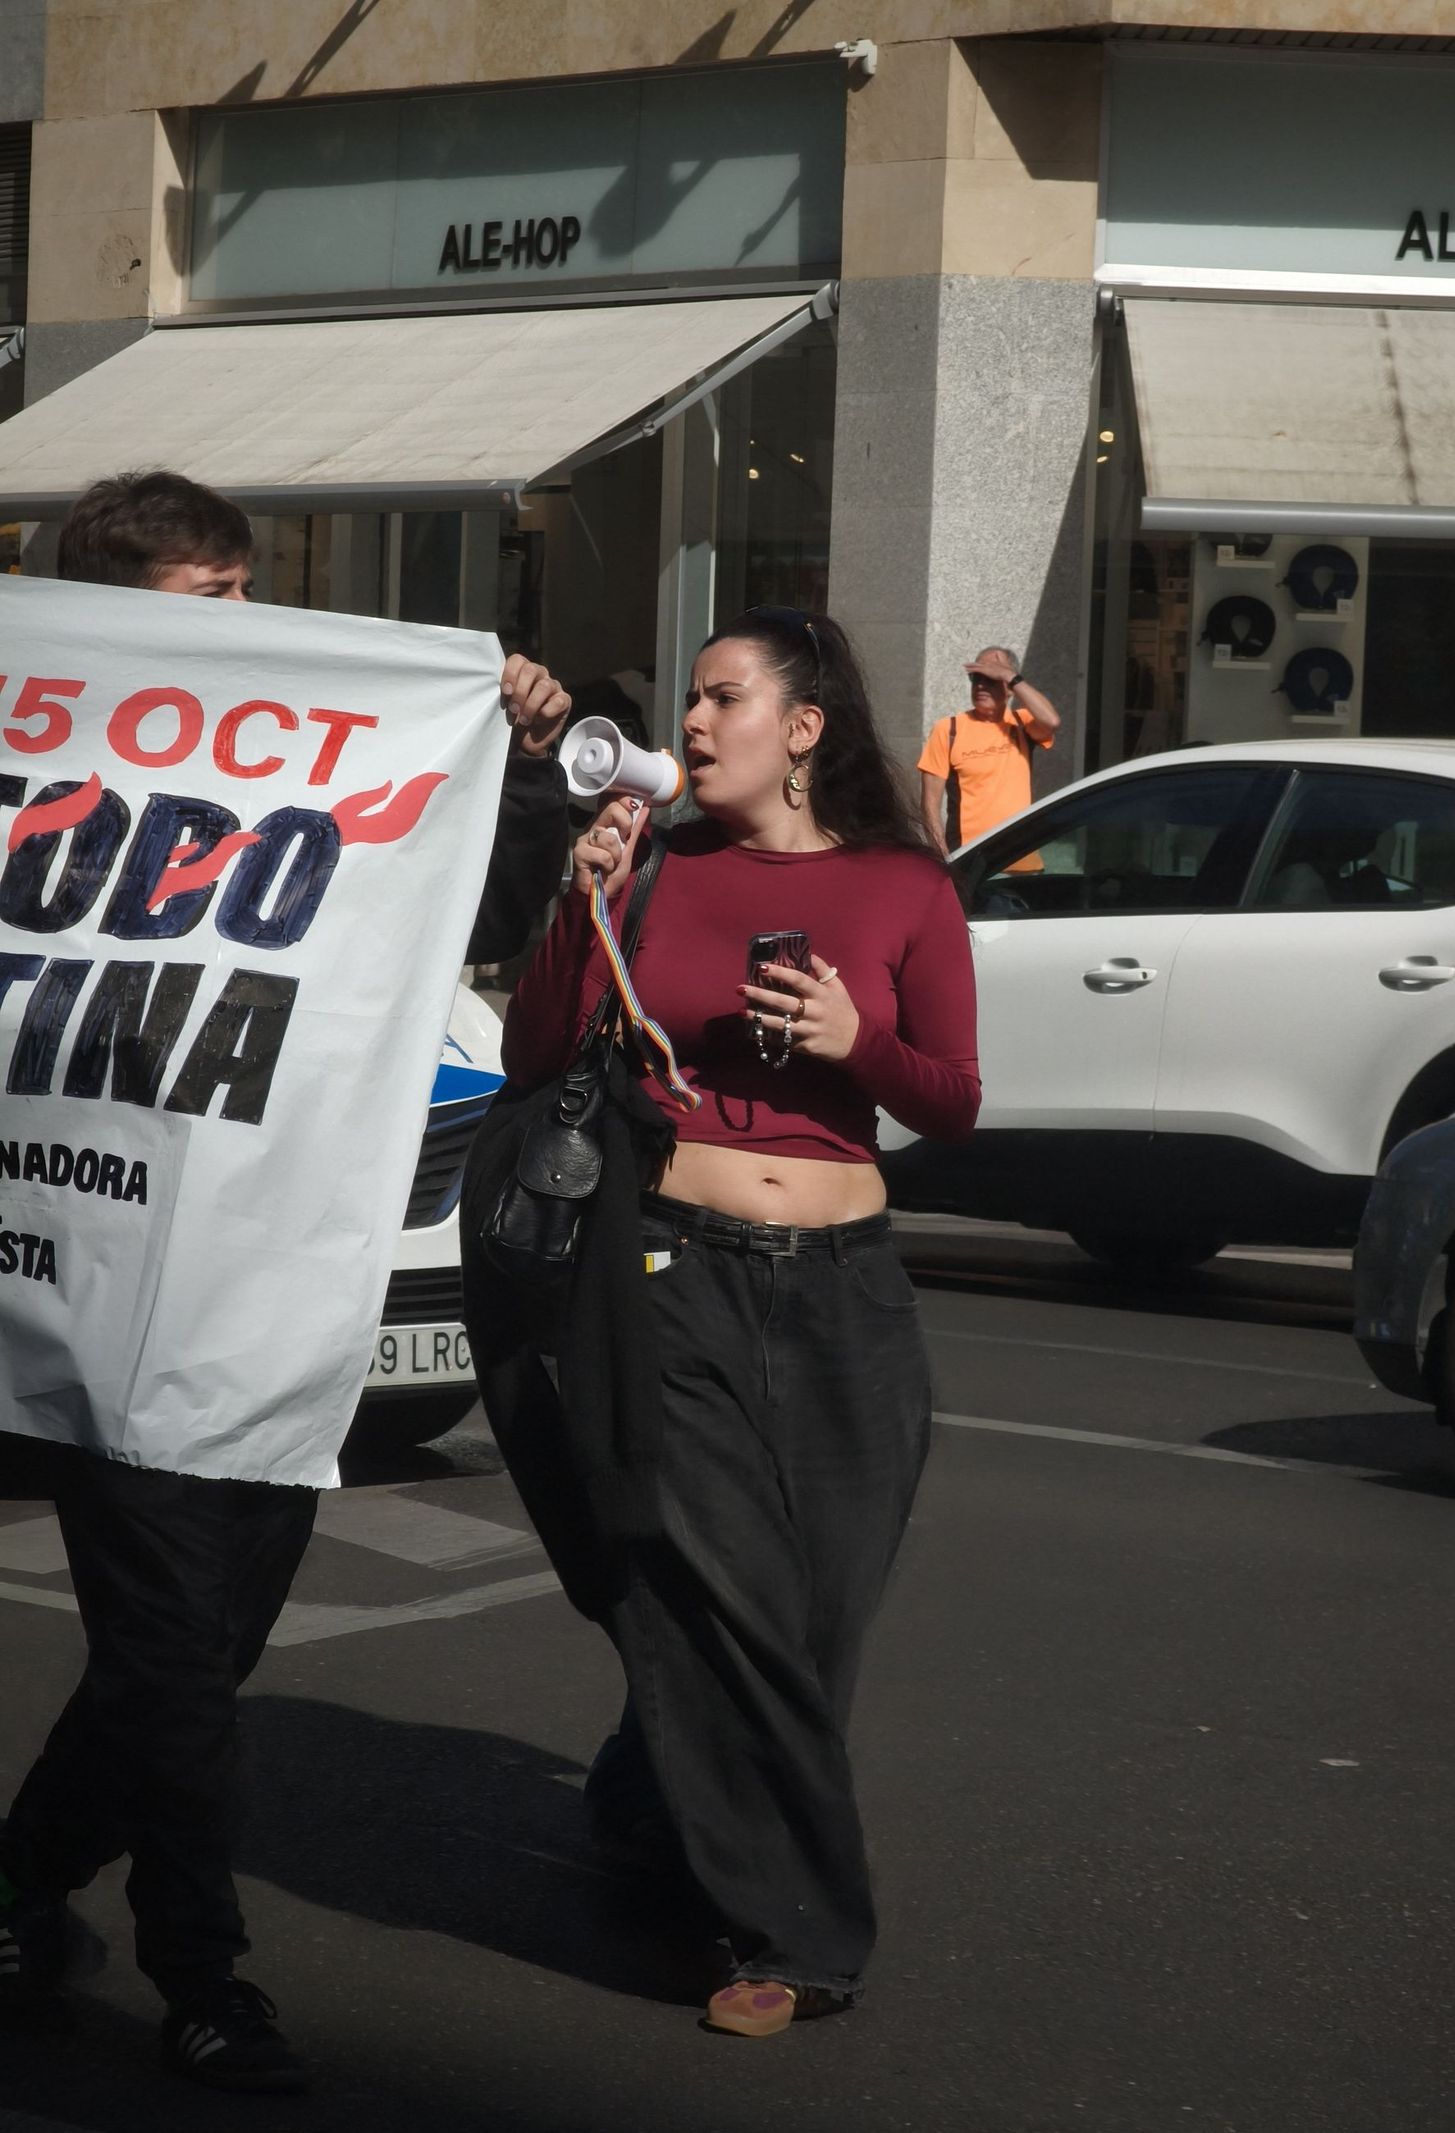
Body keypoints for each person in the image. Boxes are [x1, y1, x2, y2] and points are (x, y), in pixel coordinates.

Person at [0, 470, 572, 2089]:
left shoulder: (314, 786)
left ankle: (22, 1873)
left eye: (254, 600)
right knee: (179, 1673)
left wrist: (515, 764)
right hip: (108, 1305)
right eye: (209, 608)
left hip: (275, 1292)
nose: (249, 637)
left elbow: (499, 910)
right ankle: (205, 1982)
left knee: (194, 1656)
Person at [487, 606, 981, 2038]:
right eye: (689, 702)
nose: (693, 724)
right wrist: (585, 904)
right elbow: (534, 1051)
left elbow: (950, 1092)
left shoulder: (904, 886)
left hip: (849, 1291)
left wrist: (854, 1046)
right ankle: (793, 1929)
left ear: (805, 726)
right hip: (672, 1269)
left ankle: (649, 1793)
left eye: (723, 699)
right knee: (728, 1592)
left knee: (816, 1615)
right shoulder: (653, 864)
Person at [916, 644, 1060, 856]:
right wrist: (943, 857)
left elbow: (1052, 720)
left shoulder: (1022, 723)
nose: (981, 685)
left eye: (991, 678)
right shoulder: (949, 729)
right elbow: (930, 804)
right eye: (976, 678)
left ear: (1009, 688)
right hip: (970, 858)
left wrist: (1009, 675)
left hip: (1020, 857)